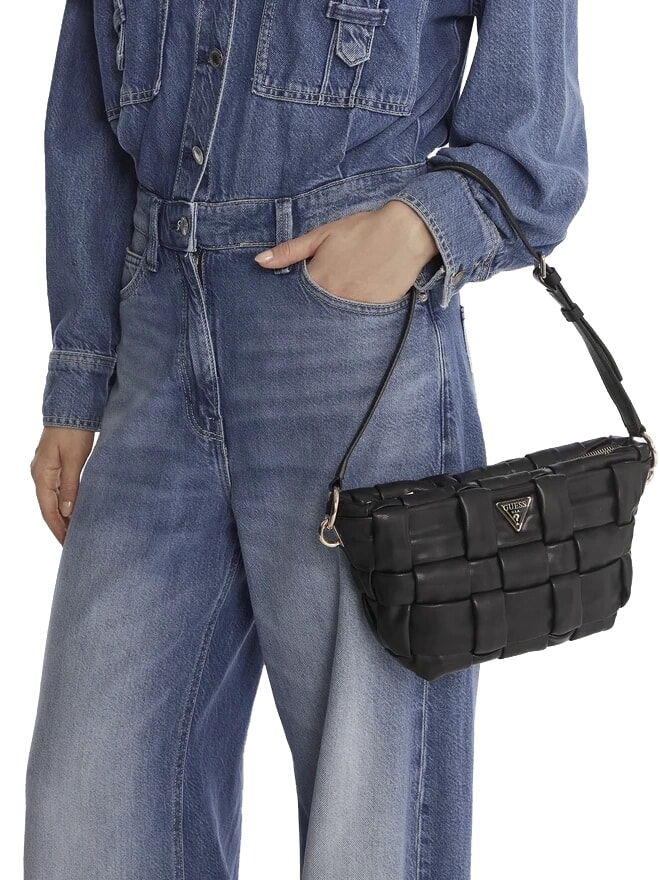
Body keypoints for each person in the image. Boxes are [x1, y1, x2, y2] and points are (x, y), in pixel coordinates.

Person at [24, 1, 588, 878]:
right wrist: (79, 369)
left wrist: (417, 228)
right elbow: (84, 112)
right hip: (152, 340)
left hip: (351, 353)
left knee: (373, 820)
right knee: (88, 807)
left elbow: (535, 143)